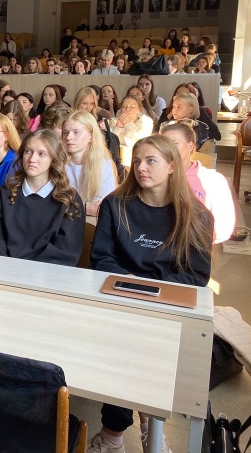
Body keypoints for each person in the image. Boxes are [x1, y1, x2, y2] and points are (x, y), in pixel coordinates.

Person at [88, 135, 213, 453]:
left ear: (172, 166)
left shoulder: (196, 216)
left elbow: (195, 275)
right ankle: (145, 427)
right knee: (126, 337)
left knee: (139, 339)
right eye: (137, 161)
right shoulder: (115, 205)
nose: (141, 168)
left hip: (166, 307)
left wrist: (148, 291)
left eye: (151, 161)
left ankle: (116, 433)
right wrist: (129, 284)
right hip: (120, 300)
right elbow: (102, 258)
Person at [0, 129, 85, 265]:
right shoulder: (2, 195)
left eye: (41, 154)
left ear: (53, 159)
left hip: (47, 276)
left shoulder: (69, 200)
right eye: (28, 151)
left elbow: (66, 252)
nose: (32, 159)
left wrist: (26, 271)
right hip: (4, 271)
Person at [160, 121, 234, 244]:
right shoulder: (155, 176)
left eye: (174, 144)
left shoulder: (213, 180)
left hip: (194, 246)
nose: (168, 150)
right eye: (164, 144)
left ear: (190, 146)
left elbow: (223, 227)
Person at [62, 112, 117, 216]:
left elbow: (100, 207)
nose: (69, 137)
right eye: (66, 132)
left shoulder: (103, 164)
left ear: (91, 136)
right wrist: (85, 207)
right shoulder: (58, 162)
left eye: (76, 132)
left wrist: (69, 206)